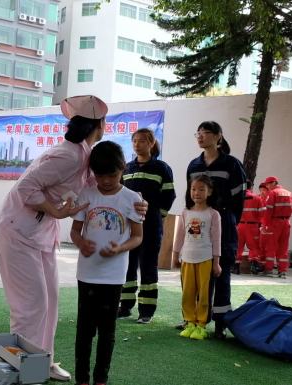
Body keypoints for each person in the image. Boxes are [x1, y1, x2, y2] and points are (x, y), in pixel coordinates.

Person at [0, 95, 147, 382]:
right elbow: (25, 188)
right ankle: (23, 368)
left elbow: (102, 189)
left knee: (50, 301)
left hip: (40, 234)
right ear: (99, 125)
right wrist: (54, 209)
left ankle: (44, 361)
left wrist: (137, 202)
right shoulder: (70, 155)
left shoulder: (84, 155)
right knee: (31, 305)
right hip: (17, 231)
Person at [70, 141, 143, 385]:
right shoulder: (87, 194)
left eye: (112, 175)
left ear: (122, 168)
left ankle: (101, 379)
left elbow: (137, 237)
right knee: (84, 331)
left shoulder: (133, 199)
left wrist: (120, 248)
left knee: (107, 332)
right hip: (87, 274)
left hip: (113, 277)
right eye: (100, 176)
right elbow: (75, 231)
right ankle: (82, 379)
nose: (106, 181)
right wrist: (81, 243)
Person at [183, 121, 246, 339]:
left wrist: (228, 220)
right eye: (198, 133)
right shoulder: (193, 165)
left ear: (218, 136)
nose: (200, 137)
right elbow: (189, 196)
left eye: (206, 133)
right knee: (195, 275)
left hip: (224, 224)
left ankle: (220, 323)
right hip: (197, 226)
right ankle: (193, 321)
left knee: (221, 273)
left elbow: (239, 199)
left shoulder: (232, 164)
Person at [118, 128, 175, 324]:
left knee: (148, 267)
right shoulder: (126, 168)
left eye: (142, 141)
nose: (137, 144)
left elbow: (169, 196)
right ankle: (125, 306)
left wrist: (156, 217)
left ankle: (146, 310)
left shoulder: (162, 168)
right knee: (128, 266)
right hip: (128, 227)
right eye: (134, 140)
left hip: (150, 227)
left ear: (151, 143)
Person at [172, 174, 222, 340]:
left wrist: (217, 263)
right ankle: (189, 322)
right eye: (193, 189)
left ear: (210, 192)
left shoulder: (213, 214)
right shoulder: (185, 212)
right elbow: (180, 236)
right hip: (187, 259)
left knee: (204, 294)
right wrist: (176, 254)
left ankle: (201, 325)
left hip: (205, 259)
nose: (197, 192)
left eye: (201, 189)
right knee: (187, 292)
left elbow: (216, 239)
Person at [260, 176, 292, 278]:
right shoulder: (289, 193)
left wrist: (265, 225)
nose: (267, 186)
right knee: (283, 247)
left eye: (268, 184)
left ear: (274, 183)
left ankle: (269, 270)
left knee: (271, 246)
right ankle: (282, 271)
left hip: (275, 223)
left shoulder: (273, 193)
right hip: (286, 222)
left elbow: (269, 211)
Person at [235, 180, 263, 275]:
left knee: (238, 246)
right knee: (254, 247)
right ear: (251, 187)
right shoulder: (257, 198)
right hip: (252, 226)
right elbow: (262, 214)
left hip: (240, 225)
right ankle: (254, 266)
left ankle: (236, 267)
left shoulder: (238, 198)